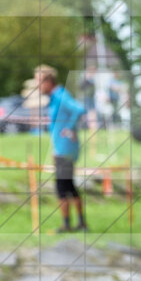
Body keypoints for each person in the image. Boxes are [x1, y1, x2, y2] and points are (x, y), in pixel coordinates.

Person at [35, 64, 87, 233]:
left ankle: (67, 225)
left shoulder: (60, 96)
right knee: (70, 186)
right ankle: (81, 223)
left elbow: (79, 109)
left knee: (62, 187)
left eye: (39, 82)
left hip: (65, 150)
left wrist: (69, 128)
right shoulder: (54, 98)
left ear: (48, 81)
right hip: (62, 148)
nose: (37, 87)